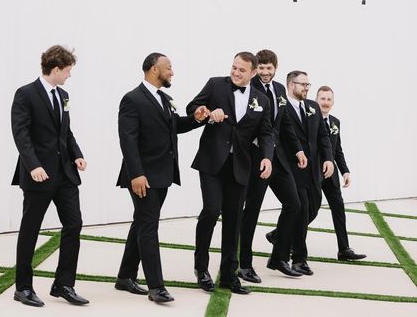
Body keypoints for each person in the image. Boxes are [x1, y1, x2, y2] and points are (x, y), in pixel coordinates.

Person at [116, 53, 209, 304]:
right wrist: (136, 174)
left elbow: (174, 126)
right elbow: (128, 139)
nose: (172, 72)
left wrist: (197, 119)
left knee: (142, 222)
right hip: (143, 176)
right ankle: (156, 287)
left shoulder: (164, 99)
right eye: (168, 68)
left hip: (163, 174)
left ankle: (125, 276)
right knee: (148, 227)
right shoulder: (132, 99)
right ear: (154, 69)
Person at [187, 52, 274, 295]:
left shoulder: (261, 100)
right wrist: (204, 112)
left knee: (234, 220)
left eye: (241, 70)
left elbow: (266, 133)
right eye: (234, 67)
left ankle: (229, 275)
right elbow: (193, 107)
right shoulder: (216, 84)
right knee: (212, 210)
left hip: (240, 165)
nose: (235, 73)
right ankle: (201, 268)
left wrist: (267, 156)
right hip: (212, 162)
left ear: (253, 73)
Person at [11, 45, 88, 307]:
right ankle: (23, 287)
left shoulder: (63, 94)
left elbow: (65, 132)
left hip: (65, 174)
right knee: (30, 230)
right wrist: (33, 165)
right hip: (39, 175)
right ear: (55, 69)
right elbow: (21, 134)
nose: (69, 76)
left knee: (74, 224)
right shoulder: (26, 94)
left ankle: (64, 284)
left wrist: (76, 153)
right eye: (67, 71)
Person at [239, 50, 307, 282]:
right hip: (256, 159)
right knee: (251, 212)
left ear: (275, 68)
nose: (266, 73)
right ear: (256, 68)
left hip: (278, 159)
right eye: (262, 68)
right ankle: (244, 264)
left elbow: (285, 122)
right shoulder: (249, 89)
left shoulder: (279, 89)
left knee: (294, 204)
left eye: (270, 68)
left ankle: (278, 258)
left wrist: (298, 149)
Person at [270, 70, 334, 276]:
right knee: (302, 209)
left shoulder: (313, 107)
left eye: (308, 85)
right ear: (290, 85)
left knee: (313, 207)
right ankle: (298, 259)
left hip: (314, 169)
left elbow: (323, 136)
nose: (307, 88)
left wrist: (328, 159)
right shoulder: (282, 107)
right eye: (303, 85)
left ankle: (279, 235)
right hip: (292, 168)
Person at [316, 86, 366, 261]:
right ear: (316, 100)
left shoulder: (335, 122)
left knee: (339, 208)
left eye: (329, 99)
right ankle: (280, 235)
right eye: (322, 98)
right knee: (309, 210)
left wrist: (345, 171)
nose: (325, 102)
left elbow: (337, 150)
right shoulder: (310, 119)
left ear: (333, 102)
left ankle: (344, 249)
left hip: (332, 175)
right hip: (314, 173)